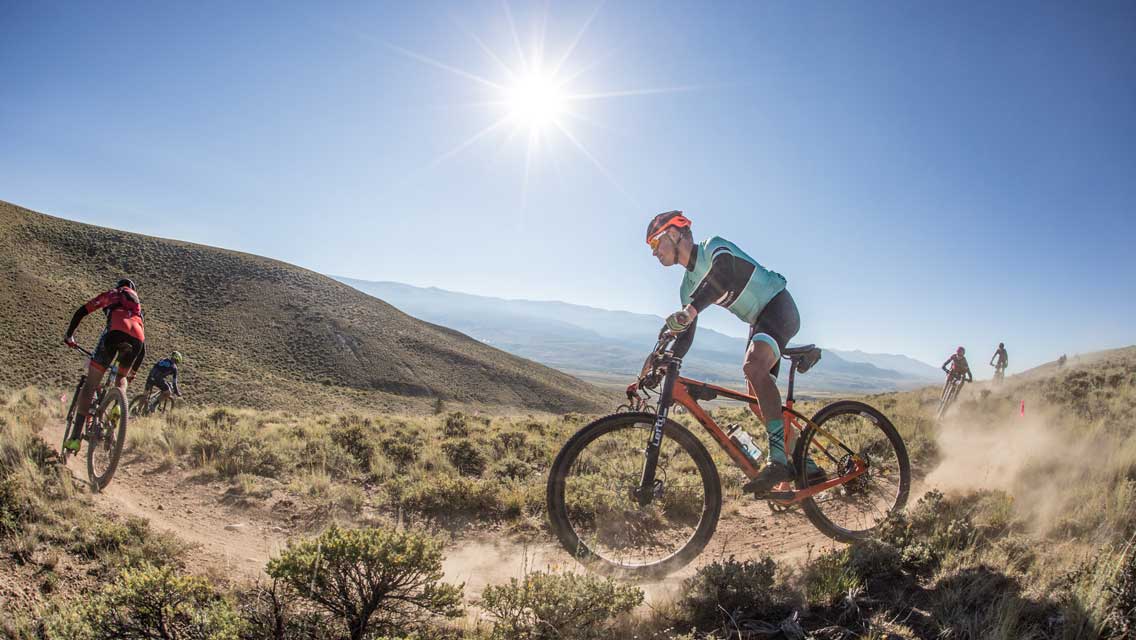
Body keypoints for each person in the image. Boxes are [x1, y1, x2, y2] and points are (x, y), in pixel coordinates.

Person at [634, 210, 821, 496]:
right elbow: (685, 337)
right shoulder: (687, 288)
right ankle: (807, 465)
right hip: (759, 322)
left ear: (674, 233)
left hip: (778, 305)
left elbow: (724, 273)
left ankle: (778, 462)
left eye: (655, 242)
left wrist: (691, 310)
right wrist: (661, 363)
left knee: (753, 366)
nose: (654, 252)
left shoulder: (712, 247)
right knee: (757, 402)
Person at [62, 278, 146, 451]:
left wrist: (69, 335)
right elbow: (143, 349)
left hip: (115, 333)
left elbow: (82, 311)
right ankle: (118, 406)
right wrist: (133, 372)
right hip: (137, 339)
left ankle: (75, 438)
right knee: (121, 377)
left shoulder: (113, 294)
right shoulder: (137, 309)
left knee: (90, 385)